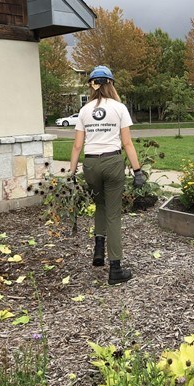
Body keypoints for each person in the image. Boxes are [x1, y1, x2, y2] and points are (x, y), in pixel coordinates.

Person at [68, 65, 145, 285]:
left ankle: (98, 252)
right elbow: (127, 142)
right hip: (112, 162)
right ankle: (116, 269)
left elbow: (76, 146)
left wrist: (71, 174)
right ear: (110, 83)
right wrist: (137, 171)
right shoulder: (120, 108)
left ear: (92, 85)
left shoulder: (84, 110)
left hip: (91, 165)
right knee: (113, 214)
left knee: (100, 206)